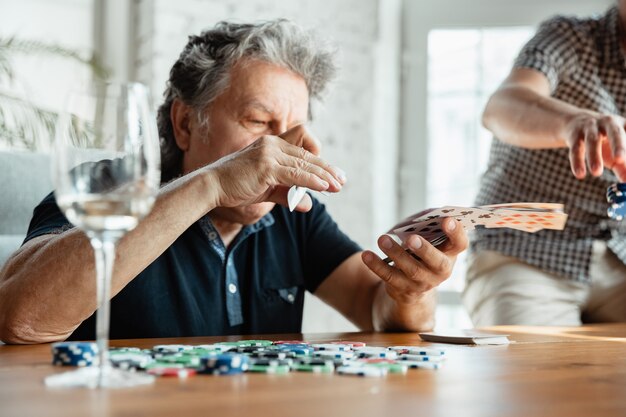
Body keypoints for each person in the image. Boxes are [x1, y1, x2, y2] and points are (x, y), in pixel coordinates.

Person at [0, 20, 468, 344]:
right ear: (185, 124)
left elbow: (375, 310)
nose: (283, 146)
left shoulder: (292, 214)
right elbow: (19, 320)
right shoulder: (105, 187)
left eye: (293, 126)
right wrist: (210, 186)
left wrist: (410, 292)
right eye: (259, 121)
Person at [464, 3, 626, 326]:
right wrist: (571, 123)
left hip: (619, 257)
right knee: (534, 366)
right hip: (524, 249)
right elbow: (501, 106)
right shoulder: (570, 37)